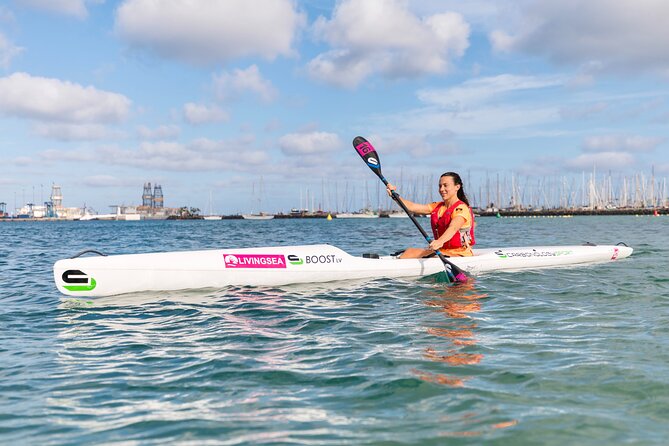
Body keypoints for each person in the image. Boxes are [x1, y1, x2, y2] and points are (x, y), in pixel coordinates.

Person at [387, 172, 475, 259]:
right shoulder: (437, 206)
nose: (441, 189)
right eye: (440, 186)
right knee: (408, 253)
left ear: (457, 187)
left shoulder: (461, 208)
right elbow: (411, 207)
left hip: (460, 253)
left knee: (433, 257)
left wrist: (440, 241)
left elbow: (453, 228)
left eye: (445, 185)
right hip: (441, 250)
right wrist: (395, 196)